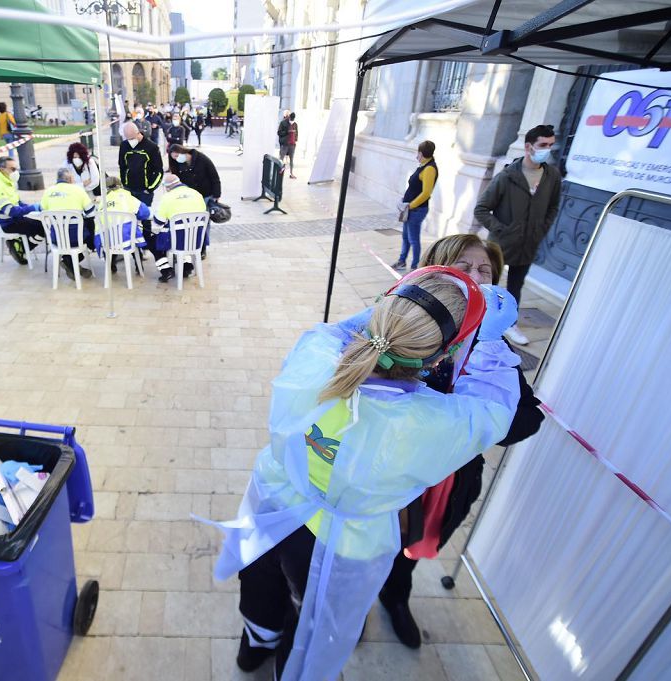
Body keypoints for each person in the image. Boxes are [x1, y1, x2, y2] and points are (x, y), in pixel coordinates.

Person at [207, 266, 521, 680]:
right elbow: (494, 409)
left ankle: (253, 647)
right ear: (441, 358)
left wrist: (384, 316)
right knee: (313, 616)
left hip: (274, 503)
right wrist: (491, 343)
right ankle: (288, 667)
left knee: (261, 581)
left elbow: (330, 333)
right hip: (341, 542)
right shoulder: (432, 422)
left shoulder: (316, 358)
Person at [378, 234, 544, 649]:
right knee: (366, 541)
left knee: (409, 548)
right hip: (389, 471)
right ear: (436, 271)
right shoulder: (401, 322)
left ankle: (395, 597)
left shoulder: (492, 348)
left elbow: (529, 418)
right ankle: (353, 599)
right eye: (464, 267)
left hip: (448, 482)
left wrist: (477, 418)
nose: (476, 277)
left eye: (485, 270)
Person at [473, 124, 562, 346]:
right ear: (528, 146)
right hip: (501, 245)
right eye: (543, 145)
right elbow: (481, 209)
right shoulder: (507, 177)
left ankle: (510, 324)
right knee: (489, 285)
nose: (547, 150)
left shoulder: (552, 176)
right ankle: (477, 321)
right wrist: (503, 229)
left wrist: (541, 229)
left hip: (529, 244)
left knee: (516, 286)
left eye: (550, 145)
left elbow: (553, 207)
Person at [0, 156, 45, 266]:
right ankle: (20, 250)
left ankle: (19, 244)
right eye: (12, 169)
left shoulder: (6, 180)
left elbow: (18, 202)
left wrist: (31, 208)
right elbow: (10, 211)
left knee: (42, 223)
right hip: (8, 223)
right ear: (2, 169)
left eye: (16, 169)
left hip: (15, 219)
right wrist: (34, 208)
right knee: (43, 228)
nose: (15, 172)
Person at [39, 167, 95, 280]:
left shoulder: (48, 191)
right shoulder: (78, 190)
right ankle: (71, 263)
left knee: (66, 239)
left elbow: (42, 210)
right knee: (88, 229)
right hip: (77, 238)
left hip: (57, 239)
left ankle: (69, 262)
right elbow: (91, 212)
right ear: (69, 179)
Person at [150, 173, 207, 283]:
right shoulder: (196, 194)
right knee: (183, 233)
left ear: (167, 187)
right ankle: (186, 266)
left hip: (178, 241)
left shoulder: (167, 198)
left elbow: (159, 221)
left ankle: (165, 270)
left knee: (153, 241)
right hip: (197, 239)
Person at [392, 140, 439, 272]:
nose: (416, 156)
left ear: (422, 153)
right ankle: (402, 261)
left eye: (418, 153)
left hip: (417, 210)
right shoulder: (423, 166)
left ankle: (415, 267)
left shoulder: (429, 168)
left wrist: (411, 205)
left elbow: (426, 193)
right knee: (406, 237)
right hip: (411, 209)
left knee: (413, 239)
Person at [94, 175, 150, 274]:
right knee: (133, 240)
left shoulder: (102, 201)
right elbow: (145, 213)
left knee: (112, 239)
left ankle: (111, 267)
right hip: (127, 237)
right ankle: (139, 267)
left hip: (107, 240)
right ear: (120, 185)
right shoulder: (127, 197)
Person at [119, 121, 163, 245]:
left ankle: (147, 243)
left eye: (132, 138)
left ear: (138, 133)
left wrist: (150, 189)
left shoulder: (152, 147)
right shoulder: (124, 145)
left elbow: (159, 171)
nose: (130, 141)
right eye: (128, 139)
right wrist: (124, 184)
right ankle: (133, 242)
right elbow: (122, 166)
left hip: (145, 191)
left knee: (145, 218)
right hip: (129, 189)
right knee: (130, 218)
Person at [280, 111, 298, 178]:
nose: (292, 120)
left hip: (292, 145)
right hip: (285, 144)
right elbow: (279, 132)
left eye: (293, 119)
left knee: (292, 159)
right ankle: (279, 171)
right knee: (281, 159)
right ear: (289, 117)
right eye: (291, 118)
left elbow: (296, 134)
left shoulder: (295, 124)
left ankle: (291, 173)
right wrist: (287, 132)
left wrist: (295, 140)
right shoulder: (283, 123)